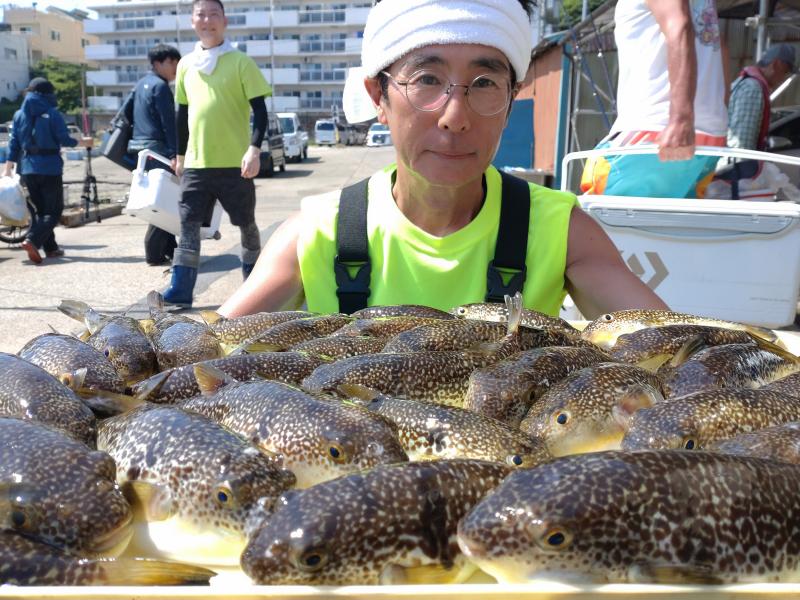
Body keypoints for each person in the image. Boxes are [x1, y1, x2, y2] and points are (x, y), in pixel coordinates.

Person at [217, 0, 668, 320]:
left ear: (512, 98)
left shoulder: (559, 230)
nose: (455, 117)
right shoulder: (318, 233)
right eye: (427, 79)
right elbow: (202, 362)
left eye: (485, 83)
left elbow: (681, 349)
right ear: (378, 95)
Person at [165, 0, 271, 307]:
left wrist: (254, 149)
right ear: (192, 21)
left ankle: (254, 283)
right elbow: (181, 114)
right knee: (187, 225)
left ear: (224, 21)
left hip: (235, 163)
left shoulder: (240, 61)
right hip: (197, 163)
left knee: (246, 224)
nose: (207, 20)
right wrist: (180, 155)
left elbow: (260, 112)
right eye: (201, 14)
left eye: (214, 14)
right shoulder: (185, 64)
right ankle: (181, 288)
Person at [580, 0, 728, 198]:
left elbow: (680, 27)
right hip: (709, 134)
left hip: (657, 132)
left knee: (598, 220)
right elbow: (720, 46)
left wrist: (680, 119)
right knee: (670, 225)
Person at [1, 78, 93, 264]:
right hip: (49, 168)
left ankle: (51, 248)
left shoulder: (19, 115)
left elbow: (14, 144)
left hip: (27, 168)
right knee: (54, 211)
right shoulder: (52, 113)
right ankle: (32, 240)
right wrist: (85, 142)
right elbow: (65, 140)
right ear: (47, 94)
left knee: (42, 210)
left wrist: (8, 168)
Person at [128, 43, 182, 266]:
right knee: (162, 201)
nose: (176, 69)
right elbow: (169, 124)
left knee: (158, 199)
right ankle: (153, 252)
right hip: (158, 149)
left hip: (139, 148)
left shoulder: (140, 84)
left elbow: (126, 114)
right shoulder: (160, 87)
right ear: (160, 62)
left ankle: (170, 249)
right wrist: (175, 153)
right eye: (173, 64)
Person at [727, 43, 796, 150]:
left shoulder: (748, 83)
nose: (784, 78)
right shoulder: (753, 89)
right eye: (785, 72)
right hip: (736, 162)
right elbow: (742, 142)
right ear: (776, 64)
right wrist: (744, 165)